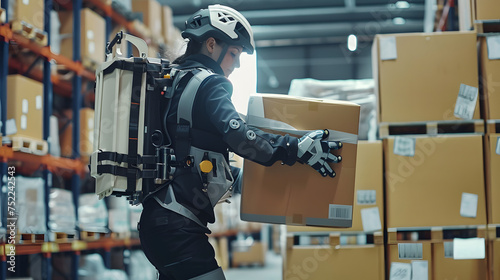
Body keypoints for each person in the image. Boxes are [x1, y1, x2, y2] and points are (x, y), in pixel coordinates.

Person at [138, 4, 342, 280]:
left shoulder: (176, 81)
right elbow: (239, 136)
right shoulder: (210, 84)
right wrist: (296, 148)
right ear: (211, 44)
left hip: (160, 222)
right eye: (234, 53)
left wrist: (241, 179)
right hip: (178, 227)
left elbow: (189, 152)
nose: (236, 63)